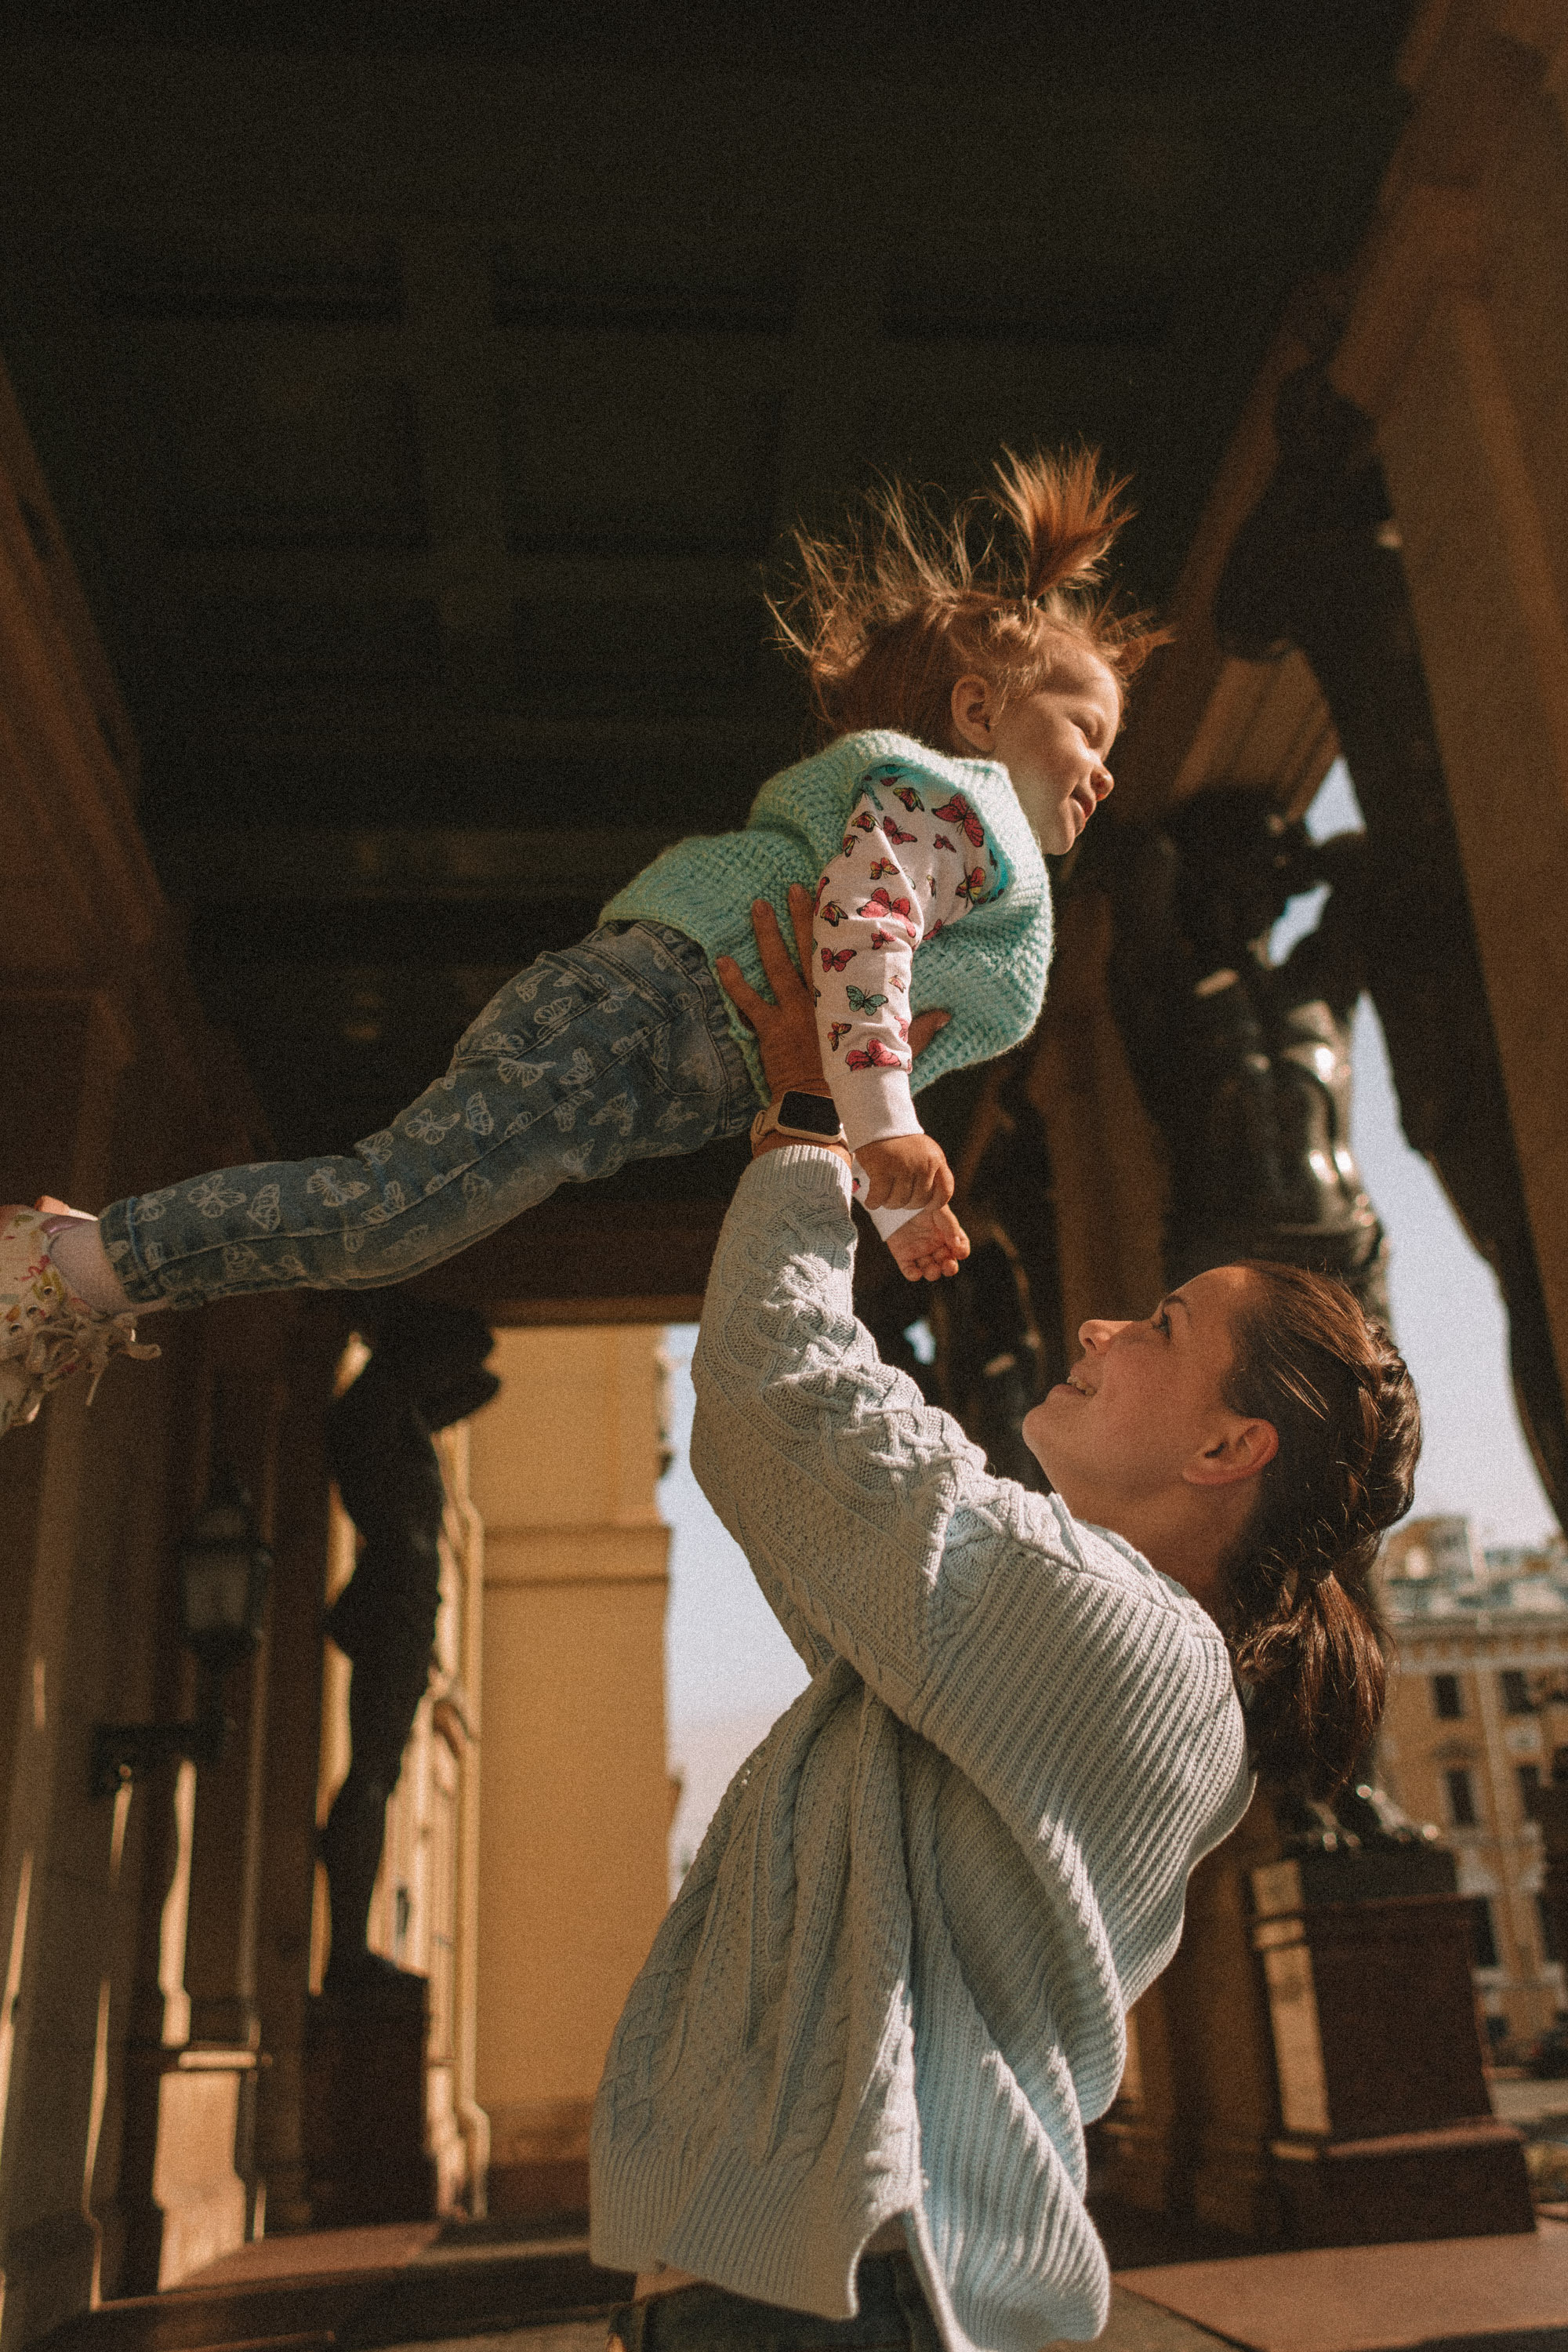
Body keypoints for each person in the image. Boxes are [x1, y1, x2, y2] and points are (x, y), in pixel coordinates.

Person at [590, 891, 1420, 2352]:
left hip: (868, 2287)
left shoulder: (1133, 1649)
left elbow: (783, 1387)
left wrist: (811, 1107)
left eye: (1160, 1329)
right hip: (825, 2284)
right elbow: (784, 1469)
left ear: (1230, 1452)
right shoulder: (1049, 1631)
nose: (1100, 1328)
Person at [0, 448, 1163, 1439]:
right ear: (974, 715)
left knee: (384, 1226)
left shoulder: (969, 847)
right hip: (640, 1017)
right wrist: (891, 1130)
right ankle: (76, 1265)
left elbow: (878, 1018)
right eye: (1087, 728)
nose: (1105, 769)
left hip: (632, 1049)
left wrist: (903, 1206)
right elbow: (865, 934)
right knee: (383, 1219)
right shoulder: (962, 811)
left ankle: (89, 1267)